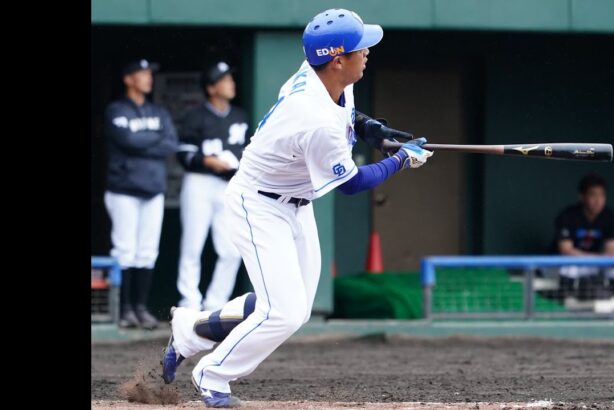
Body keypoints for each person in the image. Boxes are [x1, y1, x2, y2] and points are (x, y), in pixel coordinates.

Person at [161, 9, 432, 407]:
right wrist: (399, 161)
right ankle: (212, 375)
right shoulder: (314, 117)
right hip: (258, 204)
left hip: (295, 203)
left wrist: (372, 129)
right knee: (283, 313)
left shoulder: (325, 73)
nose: (368, 52)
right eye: (361, 48)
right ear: (338, 58)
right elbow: (353, 184)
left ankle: (191, 331)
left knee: (296, 308)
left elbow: (347, 114)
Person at [104, 59, 178, 329]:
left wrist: (144, 143)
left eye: (149, 73)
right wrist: (153, 139)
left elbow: (171, 143)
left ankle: (140, 308)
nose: (148, 78)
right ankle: (124, 310)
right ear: (128, 78)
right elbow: (126, 141)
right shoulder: (116, 109)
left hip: (153, 189)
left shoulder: (158, 111)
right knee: (125, 249)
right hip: (123, 189)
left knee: (147, 251)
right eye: (142, 73)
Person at [176, 62, 249, 312]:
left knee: (231, 250)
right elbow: (183, 153)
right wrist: (207, 160)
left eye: (231, 79)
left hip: (228, 185)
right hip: (199, 182)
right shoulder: (196, 116)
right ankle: (190, 302)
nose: (230, 83)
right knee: (192, 245)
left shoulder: (240, 115)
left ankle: (215, 304)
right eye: (224, 80)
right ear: (211, 88)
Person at [553, 173, 614, 299]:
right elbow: (566, 251)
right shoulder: (568, 215)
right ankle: (566, 304)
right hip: (564, 265)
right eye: (593, 195)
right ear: (582, 196)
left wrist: (599, 259)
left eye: (601, 195)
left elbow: (612, 252)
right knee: (570, 267)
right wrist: (599, 257)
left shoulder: (610, 216)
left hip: (593, 264)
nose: (598, 200)